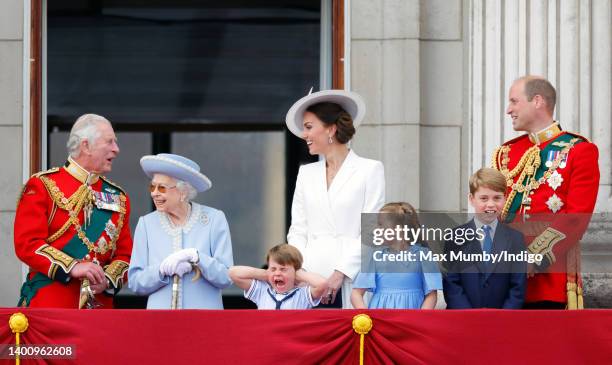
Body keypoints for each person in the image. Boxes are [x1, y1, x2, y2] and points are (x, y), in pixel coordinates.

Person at [492, 76, 599, 309]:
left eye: (514, 101)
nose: (508, 109)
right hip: (504, 273)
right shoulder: (507, 153)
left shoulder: (578, 150)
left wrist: (534, 257)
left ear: (537, 101)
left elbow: (575, 218)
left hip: (548, 276)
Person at [14, 114, 132, 308]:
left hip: (99, 311)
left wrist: (107, 281)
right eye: (110, 142)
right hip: (51, 306)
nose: (116, 149)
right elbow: (27, 243)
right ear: (86, 146)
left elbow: (125, 256)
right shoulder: (43, 185)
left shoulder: (119, 197)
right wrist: (73, 267)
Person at [285, 89, 385, 308]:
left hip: (351, 278)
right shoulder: (306, 173)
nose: (304, 135)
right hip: (309, 282)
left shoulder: (370, 169)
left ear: (331, 129)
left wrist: (340, 273)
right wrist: (301, 272)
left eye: (309, 127)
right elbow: (298, 229)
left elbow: (372, 230)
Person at [128, 153, 233, 309]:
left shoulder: (214, 220)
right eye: (152, 186)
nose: (154, 193)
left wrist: (197, 258)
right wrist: (161, 270)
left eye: (161, 187)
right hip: (160, 321)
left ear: (183, 192)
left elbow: (226, 278)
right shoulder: (146, 224)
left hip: (205, 321)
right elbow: (135, 282)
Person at [443, 168, 527, 309]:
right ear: (471, 199)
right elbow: (452, 284)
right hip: (464, 320)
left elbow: (517, 287)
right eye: (483, 198)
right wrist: (470, 317)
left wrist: (502, 318)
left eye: (497, 198)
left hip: (502, 322)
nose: (490, 204)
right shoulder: (455, 237)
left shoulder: (515, 239)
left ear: (505, 198)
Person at [351, 202, 441, 309]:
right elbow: (356, 294)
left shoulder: (423, 255)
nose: (376, 230)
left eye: (381, 225)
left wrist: (420, 320)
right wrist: (366, 318)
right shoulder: (375, 256)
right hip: (381, 318)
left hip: (412, 318)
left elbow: (431, 295)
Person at [229, 244, 328, 310]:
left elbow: (322, 284)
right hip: (266, 340)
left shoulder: (302, 295)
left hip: (291, 340)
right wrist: (266, 274)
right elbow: (233, 273)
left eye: (283, 269)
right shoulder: (262, 291)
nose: (277, 273)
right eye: (273, 269)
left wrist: (299, 274)